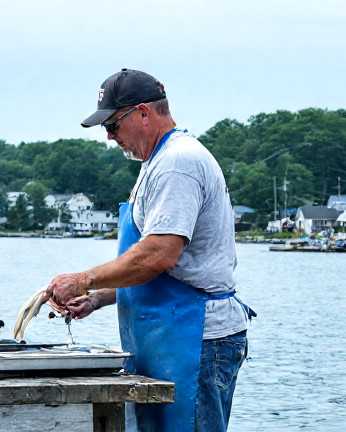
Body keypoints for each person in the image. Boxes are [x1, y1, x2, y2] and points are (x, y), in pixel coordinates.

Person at [42, 68, 253, 432]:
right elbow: (161, 270)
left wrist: (83, 280)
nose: (109, 138)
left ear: (143, 113)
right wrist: (97, 297)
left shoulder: (178, 163)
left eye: (113, 125)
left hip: (197, 342)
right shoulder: (156, 162)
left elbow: (159, 255)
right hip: (171, 338)